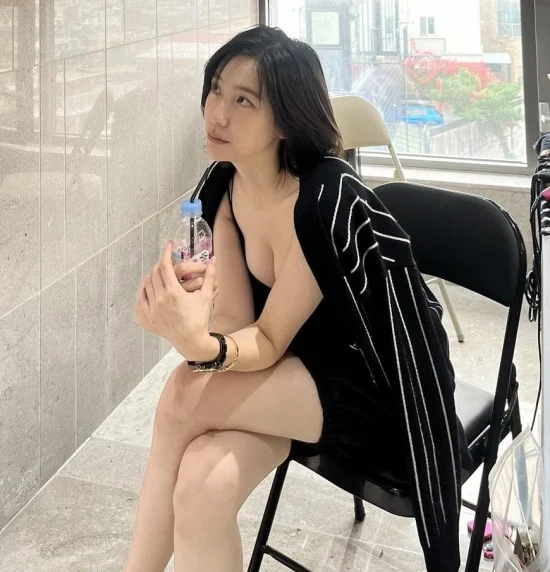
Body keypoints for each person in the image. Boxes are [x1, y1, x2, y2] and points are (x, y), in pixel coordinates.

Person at [126, 25, 470, 572]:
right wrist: (183, 319)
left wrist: (201, 348)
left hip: (369, 392)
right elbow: (237, 323)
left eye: (244, 101)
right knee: (201, 484)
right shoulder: (223, 186)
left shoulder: (325, 203)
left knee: (180, 397)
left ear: (286, 119)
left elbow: (263, 339)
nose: (217, 114)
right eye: (216, 89)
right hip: (284, 374)